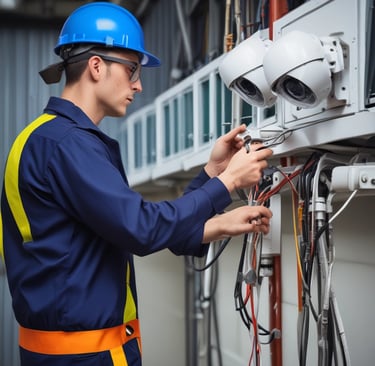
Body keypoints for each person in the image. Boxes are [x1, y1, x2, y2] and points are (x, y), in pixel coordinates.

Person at [0, 2, 273, 366]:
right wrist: (226, 183)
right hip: (85, 356)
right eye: (131, 69)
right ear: (96, 66)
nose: (139, 84)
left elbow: (124, 227)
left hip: (73, 351)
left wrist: (211, 179)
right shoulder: (67, 144)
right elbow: (141, 228)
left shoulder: (49, 139)